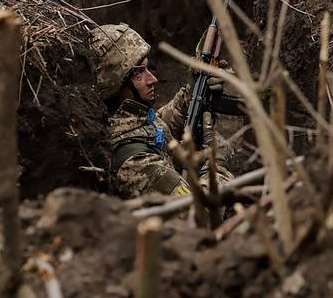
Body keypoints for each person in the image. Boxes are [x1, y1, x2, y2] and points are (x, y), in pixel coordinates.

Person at [89, 23, 241, 199]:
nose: (152, 79)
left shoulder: (126, 117)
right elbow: (200, 214)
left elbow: (157, 126)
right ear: (115, 83)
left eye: (148, 68)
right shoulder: (135, 161)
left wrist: (192, 93)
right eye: (139, 73)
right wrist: (217, 166)